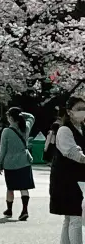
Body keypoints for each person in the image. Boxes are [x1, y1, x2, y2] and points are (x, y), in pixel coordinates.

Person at [50, 96, 85, 244]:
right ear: (69, 112)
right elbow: (73, 153)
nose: (82, 112)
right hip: (66, 180)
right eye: (79, 109)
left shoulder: (82, 129)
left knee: (70, 218)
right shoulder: (64, 130)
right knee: (75, 217)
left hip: (77, 179)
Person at [0, 107, 35, 221]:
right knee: (24, 187)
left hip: (10, 163)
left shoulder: (6, 131)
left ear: (11, 118)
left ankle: (9, 210)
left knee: (10, 188)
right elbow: (31, 117)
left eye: (8, 116)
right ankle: (25, 210)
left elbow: (3, 149)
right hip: (24, 161)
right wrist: (21, 113)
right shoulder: (26, 128)